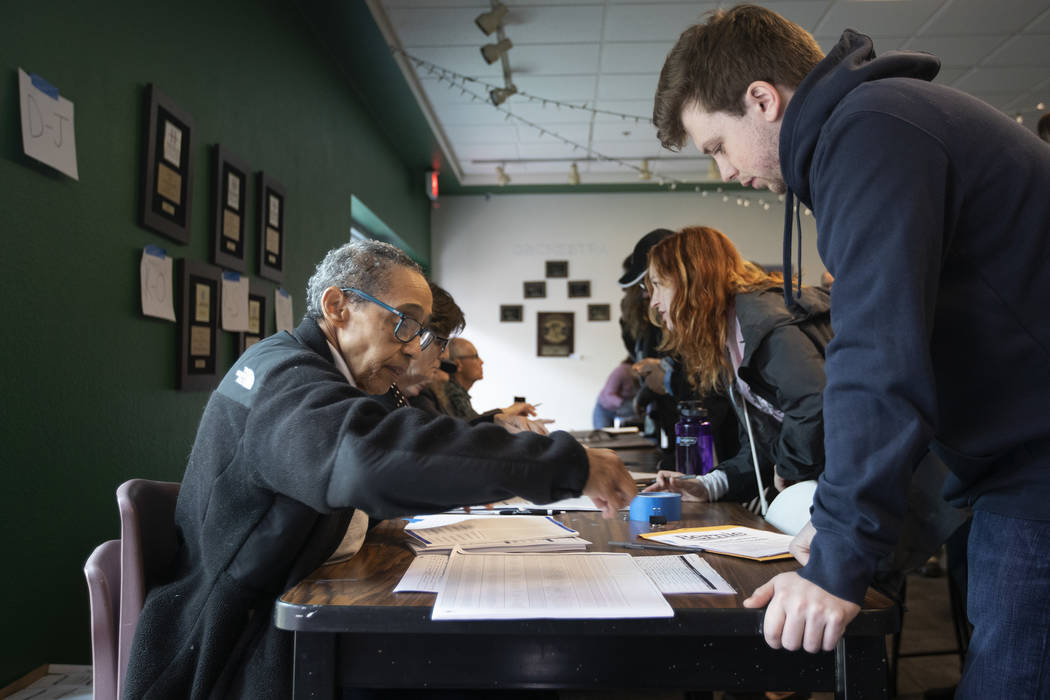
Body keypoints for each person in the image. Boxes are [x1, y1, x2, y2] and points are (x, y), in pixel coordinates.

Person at [653, 5, 1050, 695]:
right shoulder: (875, 126)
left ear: (761, 100)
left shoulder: (872, 132)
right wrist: (841, 526)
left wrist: (841, 556)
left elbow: (877, 357)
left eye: (717, 144)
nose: (724, 170)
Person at [123, 240, 635, 699]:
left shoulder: (317, 372)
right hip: (235, 653)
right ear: (337, 306)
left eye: (421, 330)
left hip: (283, 619)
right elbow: (373, 459)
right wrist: (566, 463)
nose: (414, 346)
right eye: (404, 321)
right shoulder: (286, 379)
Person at [641, 226, 830, 506]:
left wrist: (791, 469)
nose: (654, 301)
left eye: (658, 284)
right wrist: (707, 485)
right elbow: (761, 446)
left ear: (691, 280)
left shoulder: (763, 325)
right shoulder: (732, 334)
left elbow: (815, 403)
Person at [441, 337, 536, 421]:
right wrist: (510, 411)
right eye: (475, 357)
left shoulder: (456, 391)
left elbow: (474, 421)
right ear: (458, 364)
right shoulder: (449, 391)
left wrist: (508, 414)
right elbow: (472, 424)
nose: (481, 362)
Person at [592, 358, 639, 429]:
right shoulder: (621, 371)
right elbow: (609, 394)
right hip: (605, 409)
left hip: (621, 411)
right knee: (603, 435)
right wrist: (623, 404)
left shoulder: (642, 374)